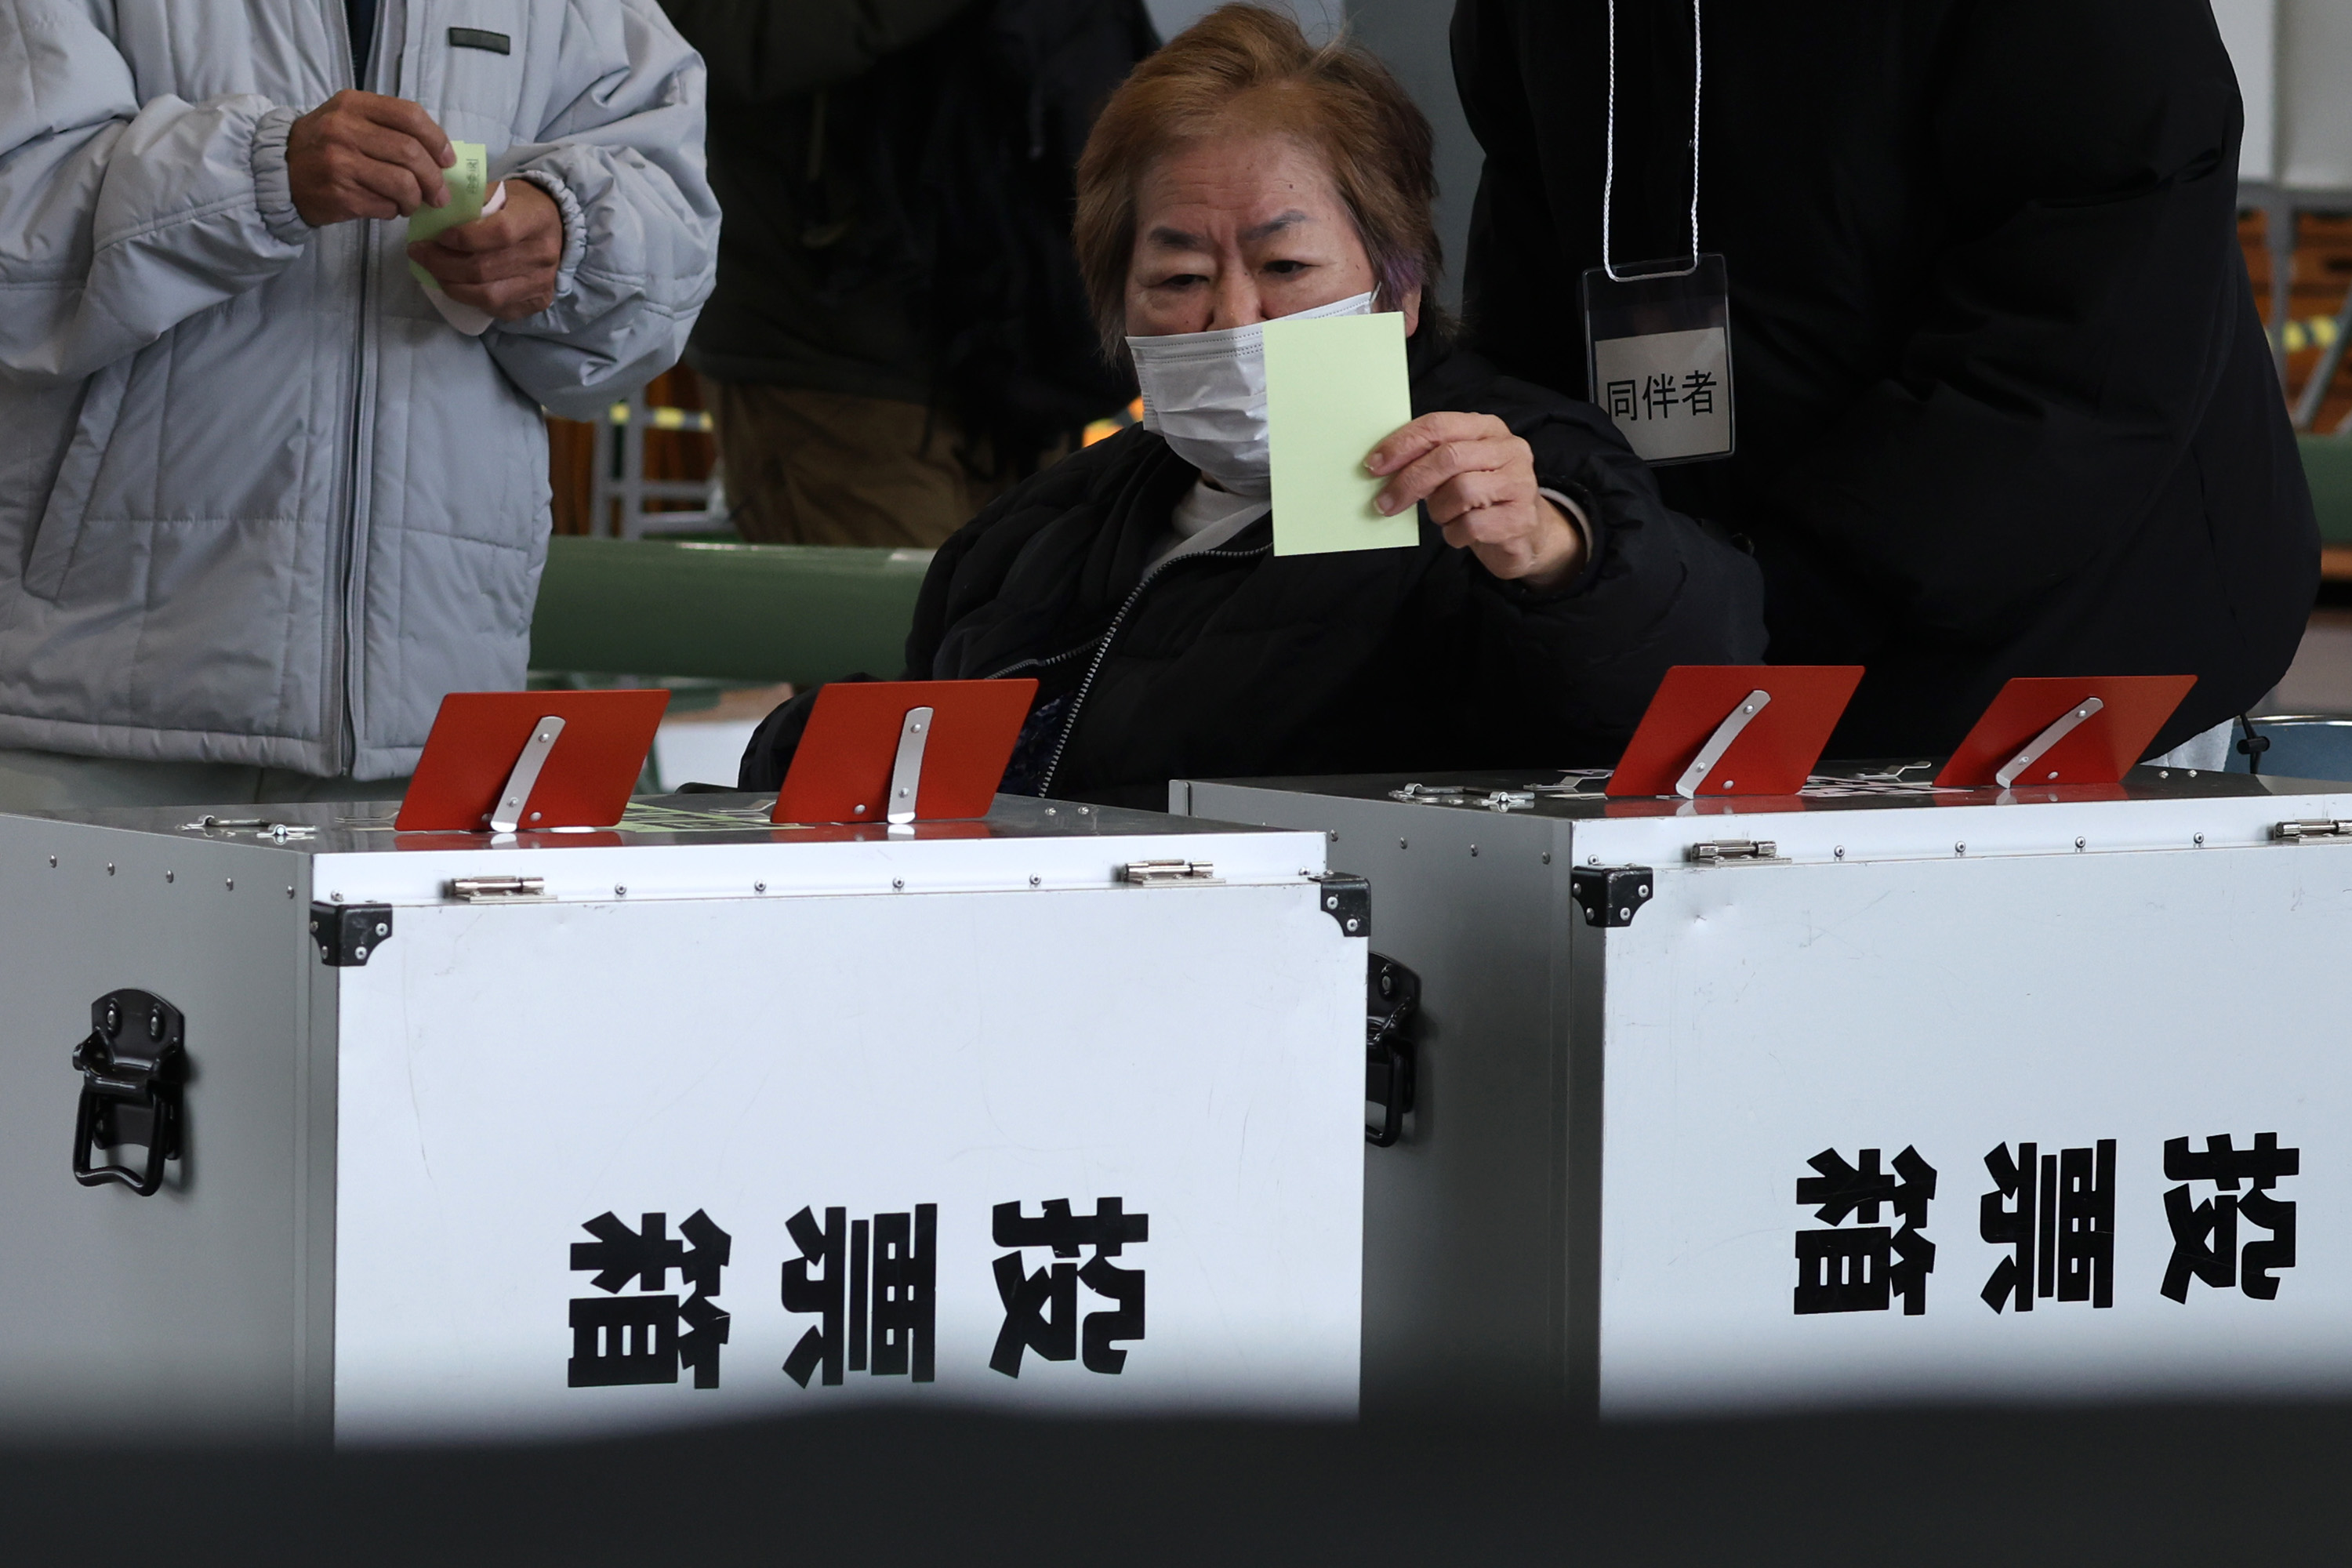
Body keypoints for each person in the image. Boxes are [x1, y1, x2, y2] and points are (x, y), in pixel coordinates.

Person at [741, 3, 1765, 807]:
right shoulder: (1030, 535)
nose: (1235, 317)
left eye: (1285, 264)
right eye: (1178, 278)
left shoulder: (1502, 468)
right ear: (1117, 307)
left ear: (1399, 289)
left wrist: (1555, 555)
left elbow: (1685, 681)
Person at [1452, 0, 2318, 766]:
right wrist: (1601, 550)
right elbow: (1530, 280)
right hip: (1705, 644)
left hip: (2058, 657)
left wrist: (1769, 590)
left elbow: (2097, 313)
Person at [0, 0, 719, 808]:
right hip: (90, 721)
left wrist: (571, 235)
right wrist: (260, 174)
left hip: (433, 737)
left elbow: (675, 248)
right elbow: (16, 239)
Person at [655, 0, 1155, 549]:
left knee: (1021, 624)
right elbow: (697, 41)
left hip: (1024, 358)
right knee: (887, 628)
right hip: (833, 364)